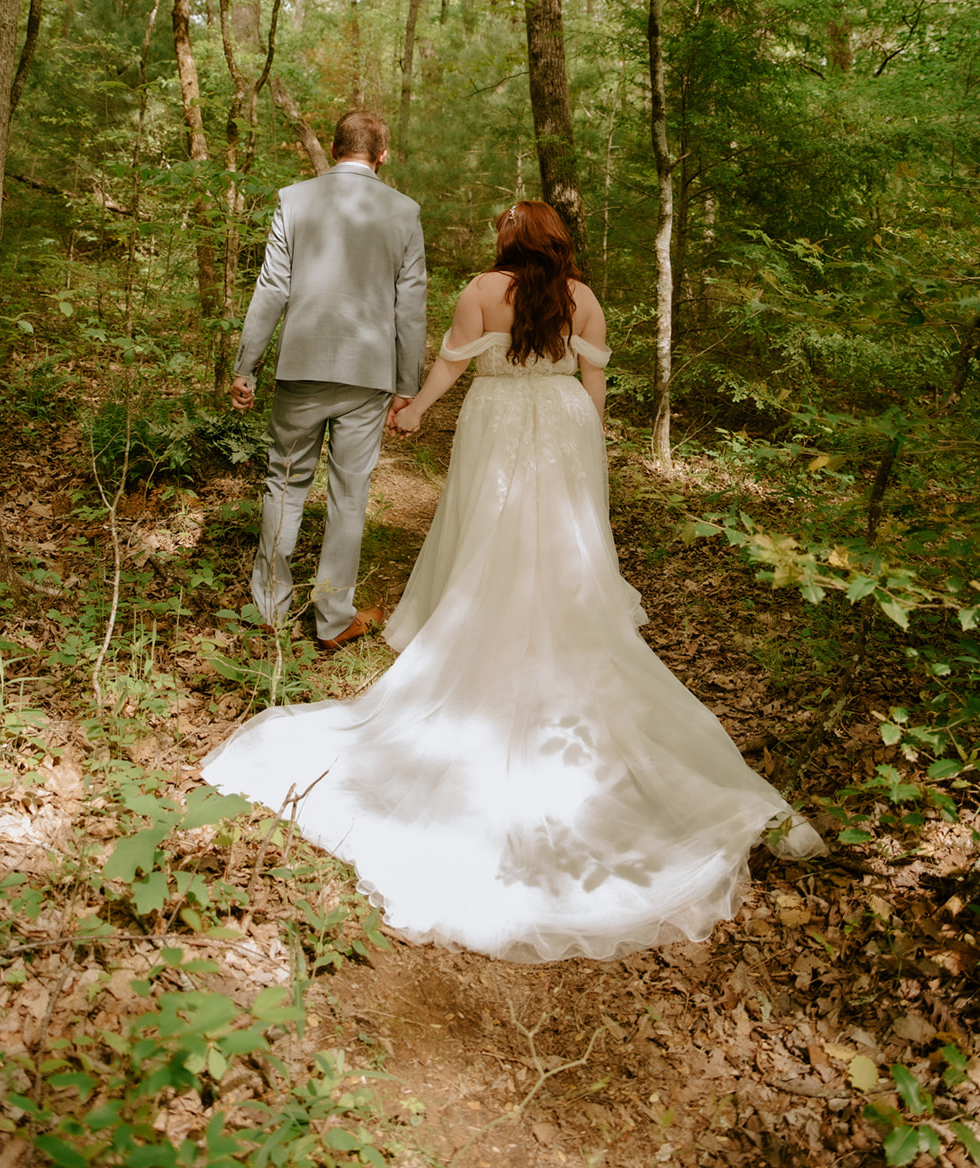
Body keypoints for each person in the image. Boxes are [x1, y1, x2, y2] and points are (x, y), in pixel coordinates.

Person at [205, 201, 823, 961]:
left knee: (490, 528)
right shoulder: (582, 298)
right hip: (562, 424)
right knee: (559, 534)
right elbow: (594, 388)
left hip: (497, 419)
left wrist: (416, 411)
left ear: (509, 240)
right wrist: (590, 450)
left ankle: (481, 619)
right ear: (557, 242)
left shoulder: (479, 289)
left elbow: (452, 363)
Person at [229, 111, 426, 650]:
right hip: (368, 375)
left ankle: (269, 608)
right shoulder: (404, 211)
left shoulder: (294, 199)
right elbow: (410, 307)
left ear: (333, 148)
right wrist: (407, 385)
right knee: (349, 494)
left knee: (283, 483)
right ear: (380, 155)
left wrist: (246, 366)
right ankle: (334, 617)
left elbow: (272, 287)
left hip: (301, 366)